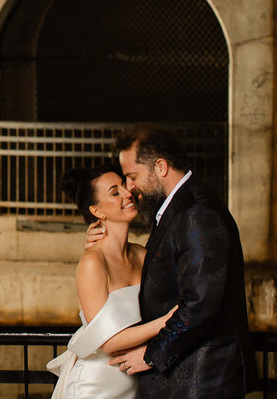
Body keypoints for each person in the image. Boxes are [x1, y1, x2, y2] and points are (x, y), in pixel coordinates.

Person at [99, 123, 258, 398]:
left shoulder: (197, 212)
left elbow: (200, 304)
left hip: (203, 382)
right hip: (187, 379)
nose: (129, 187)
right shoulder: (177, 209)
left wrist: (150, 355)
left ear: (160, 167)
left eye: (132, 176)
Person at [48, 165, 177, 399]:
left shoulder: (142, 255)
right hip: (96, 384)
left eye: (124, 186)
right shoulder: (92, 263)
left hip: (136, 379)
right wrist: (167, 322)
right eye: (114, 192)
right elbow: (106, 341)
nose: (127, 194)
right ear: (97, 211)